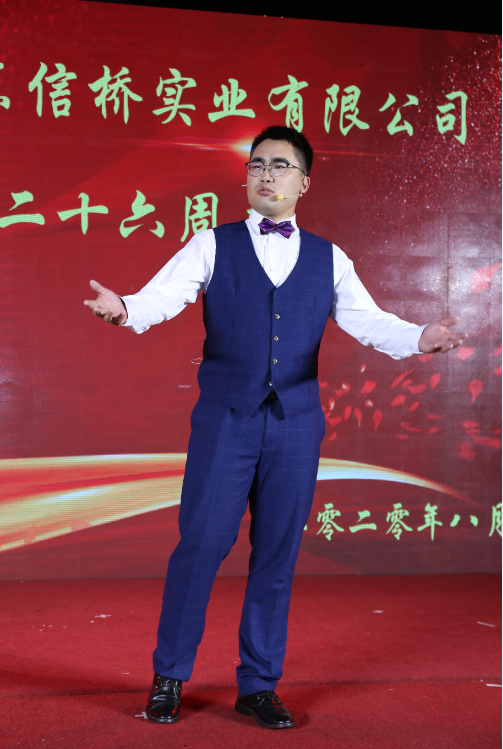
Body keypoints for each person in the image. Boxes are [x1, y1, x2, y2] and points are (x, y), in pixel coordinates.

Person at [84, 125, 467, 730]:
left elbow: (369, 321)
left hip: (296, 425)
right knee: (201, 546)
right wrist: (125, 309)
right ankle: (169, 678)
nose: (266, 174)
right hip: (225, 420)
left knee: (278, 554)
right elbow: (163, 296)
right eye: (257, 164)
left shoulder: (330, 258)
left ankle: (258, 685)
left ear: (303, 183)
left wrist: (421, 338)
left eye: (280, 165)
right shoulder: (212, 244)